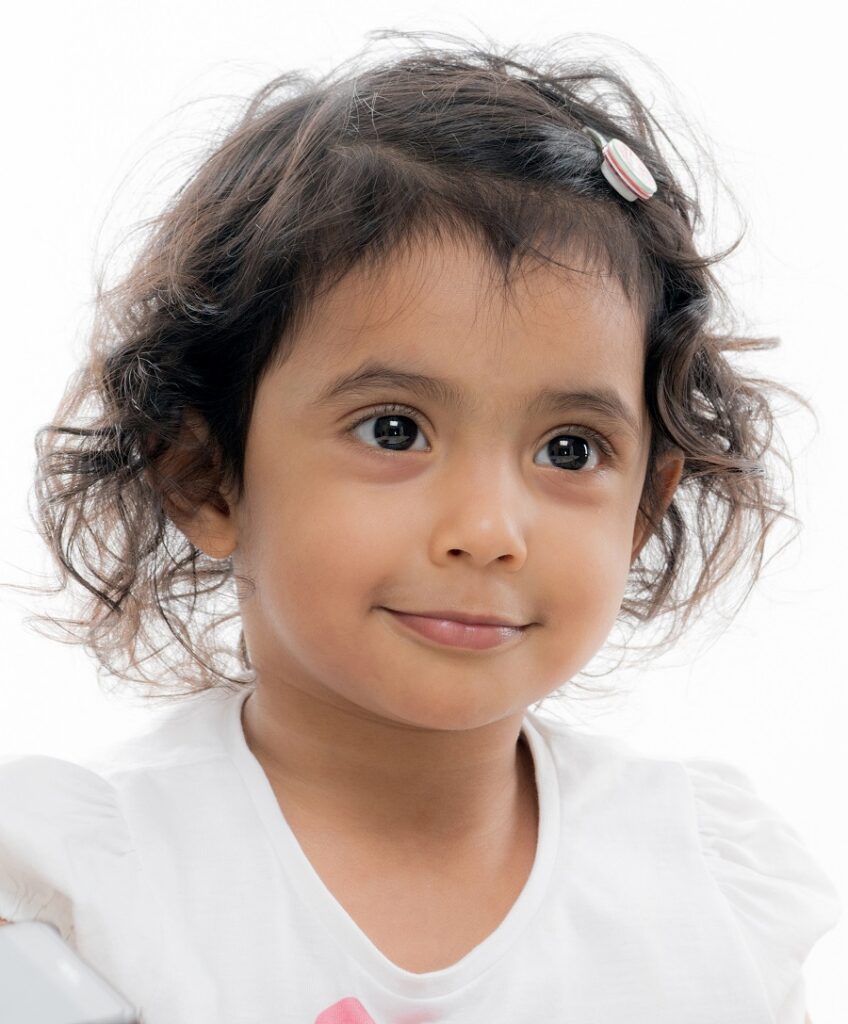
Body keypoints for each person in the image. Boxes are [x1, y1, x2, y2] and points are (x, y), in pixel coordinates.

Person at [0, 29, 840, 1024]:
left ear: (642, 508)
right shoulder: (92, 890)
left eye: (568, 449)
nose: (487, 529)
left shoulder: (703, 890)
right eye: (394, 429)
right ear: (205, 477)